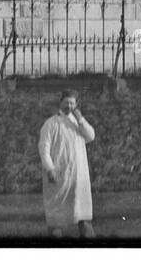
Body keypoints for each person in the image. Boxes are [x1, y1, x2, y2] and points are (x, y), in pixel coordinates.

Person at [38, 90, 96, 238]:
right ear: (60, 103)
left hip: (78, 175)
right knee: (57, 217)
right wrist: (50, 168)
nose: (68, 106)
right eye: (66, 102)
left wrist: (81, 119)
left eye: (72, 103)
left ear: (76, 104)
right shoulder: (51, 124)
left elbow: (90, 136)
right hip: (60, 175)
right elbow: (44, 148)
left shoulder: (78, 122)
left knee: (83, 214)